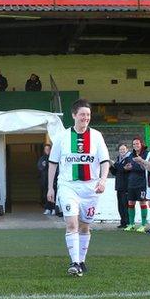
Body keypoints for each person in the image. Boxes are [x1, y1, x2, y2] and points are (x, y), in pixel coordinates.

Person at [47, 99, 110, 277]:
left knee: (84, 227)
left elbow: (105, 161)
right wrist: (50, 188)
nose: (85, 118)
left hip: (91, 189)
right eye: (82, 114)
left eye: (88, 115)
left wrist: (103, 181)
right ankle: (74, 262)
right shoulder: (62, 137)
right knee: (71, 224)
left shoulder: (97, 136)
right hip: (68, 186)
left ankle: (81, 261)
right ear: (74, 115)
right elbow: (52, 163)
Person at [123, 137, 149, 233]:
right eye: (134, 144)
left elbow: (145, 167)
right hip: (131, 183)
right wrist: (127, 168)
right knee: (130, 203)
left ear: (141, 144)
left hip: (142, 183)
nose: (135, 146)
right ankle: (131, 224)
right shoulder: (131, 155)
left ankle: (143, 225)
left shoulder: (146, 154)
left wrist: (134, 166)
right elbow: (129, 166)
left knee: (142, 202)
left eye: (137, 144)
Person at [110, 144, 130, 228]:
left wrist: (115, 164)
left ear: (127, 150)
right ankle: (123, 222)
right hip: (119, 186)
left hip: (126, 186)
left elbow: (124, 169)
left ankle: (128, 222)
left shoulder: (129, 159)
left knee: (125, 205)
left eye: (123, 149)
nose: (122, 151)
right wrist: (111, 167)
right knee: (120, 205)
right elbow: (116, 172)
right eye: (120, 150)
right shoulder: (119, 159)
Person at [38, 144, 55, 215]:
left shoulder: (54, 158)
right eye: (46, 149)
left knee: (54, 194)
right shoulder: (42, 158)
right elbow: (40, 167)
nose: (47, 150)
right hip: (45, 180)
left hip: (53, 180)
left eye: (48, 149)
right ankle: (48, 208)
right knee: (46, 195)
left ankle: (54, 208)